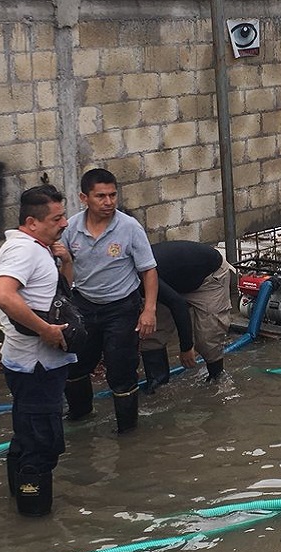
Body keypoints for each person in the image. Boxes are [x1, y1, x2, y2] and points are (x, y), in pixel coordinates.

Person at [0, 184, 76, 517]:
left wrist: (65, 261)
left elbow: (61, 294)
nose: (65, 223)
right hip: (35, 365)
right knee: (42, 444)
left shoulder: (39, 248)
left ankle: (19, 504)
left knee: (27, 435)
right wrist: (46, 330)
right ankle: (35, 522)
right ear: (32, 222)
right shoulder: (23, 250)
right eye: (57, 218)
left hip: (36, 364)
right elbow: (2, 294)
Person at [61, 168, 158, 431]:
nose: (108, 202)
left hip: (121, 307)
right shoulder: (71, 228)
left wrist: (149, 310)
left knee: (121, 369)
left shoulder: (129, 227)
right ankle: (80, 418)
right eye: (101, 196)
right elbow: (64, 270)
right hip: (83, 304)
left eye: (113, 195)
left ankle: (127, 431)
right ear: (84, 198)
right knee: (75, 364)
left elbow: (149, 270)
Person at [140, 241, 233, 393]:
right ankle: (158, 386)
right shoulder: (119, 282)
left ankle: (217, 380)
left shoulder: (140, 274)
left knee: (208, 338)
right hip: (171, 282)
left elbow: (179, 305)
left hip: (208, 277)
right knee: (150, 333)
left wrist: (186, 348)